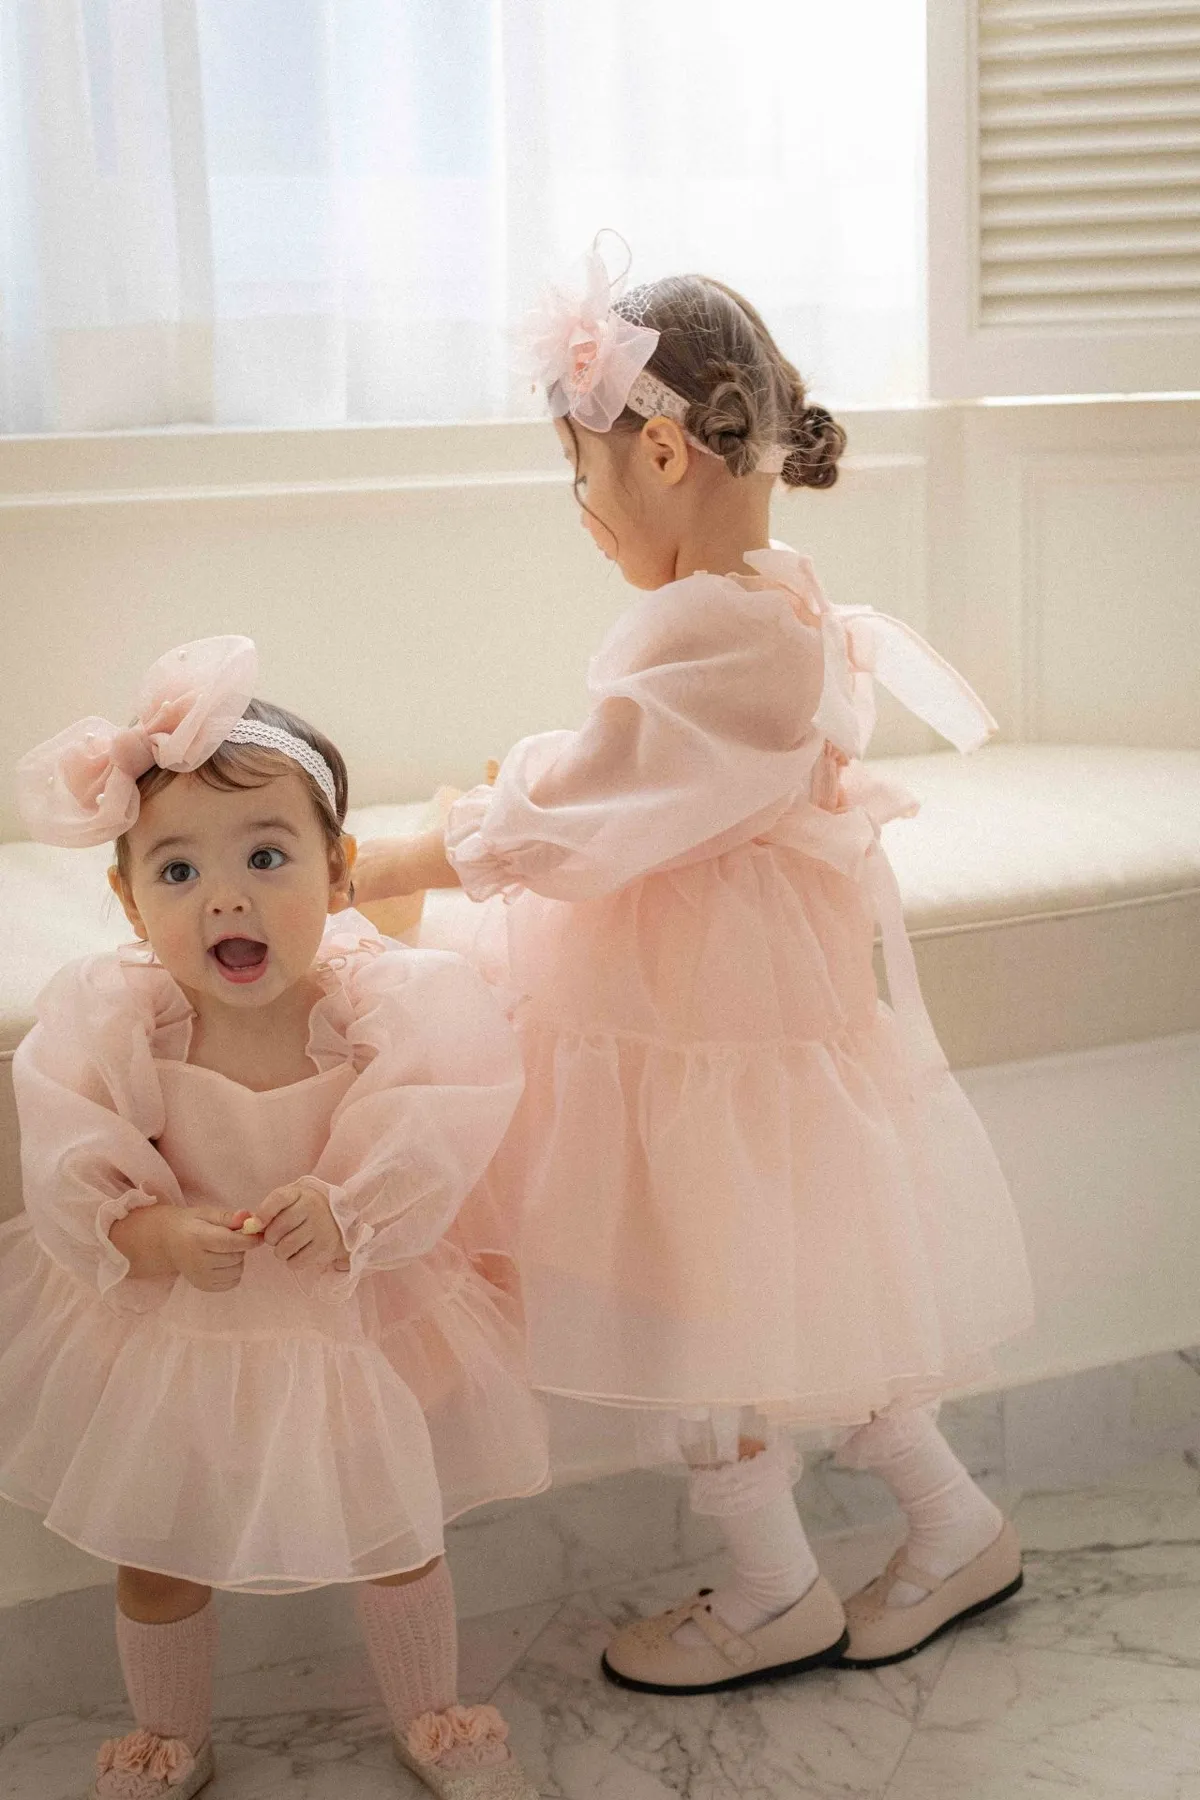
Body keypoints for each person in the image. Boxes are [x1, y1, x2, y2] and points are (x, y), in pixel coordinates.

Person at [353, 241, 1035, 1693]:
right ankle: (941, 1529)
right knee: (761, 1295)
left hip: (708, 1019)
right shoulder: (766, 593)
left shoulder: (717, 622)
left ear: (662, 451)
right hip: (728, 1002)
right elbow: (633, 780)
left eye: (582, 477)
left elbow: (602, 788)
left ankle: (780, 1587)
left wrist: (408, 856)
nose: (583, 515)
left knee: (701, 1292)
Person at [3, 637, 546, 1798]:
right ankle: (168, 1738)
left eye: (266, 855)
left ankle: (433, 1715)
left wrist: (352, 1208)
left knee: (395, 1536)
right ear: (127, 900)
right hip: (174, 1331)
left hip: (346, 1318)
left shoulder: (376, 1004)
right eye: (177, 871)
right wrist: (149, 1232)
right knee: (158, 1551)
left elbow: (435, 1121)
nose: (227, 896)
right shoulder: (121, 1017)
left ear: (339, 872)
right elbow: (70, 1153)